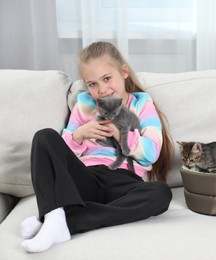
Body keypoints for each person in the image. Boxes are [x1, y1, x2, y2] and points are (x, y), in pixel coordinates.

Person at [20, 41, 174, 253]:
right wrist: (79, 135)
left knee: (161, 193)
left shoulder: (141, 103)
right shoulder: (84, 104)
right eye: (92, 84)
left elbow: (152, 153)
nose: (101, 90)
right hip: (86, 178)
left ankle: (64, 220)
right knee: (44, 137)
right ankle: (55, 217)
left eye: (107, 78)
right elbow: (61, 156)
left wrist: (122, 134)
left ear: (124, 72)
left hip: (123, 182)